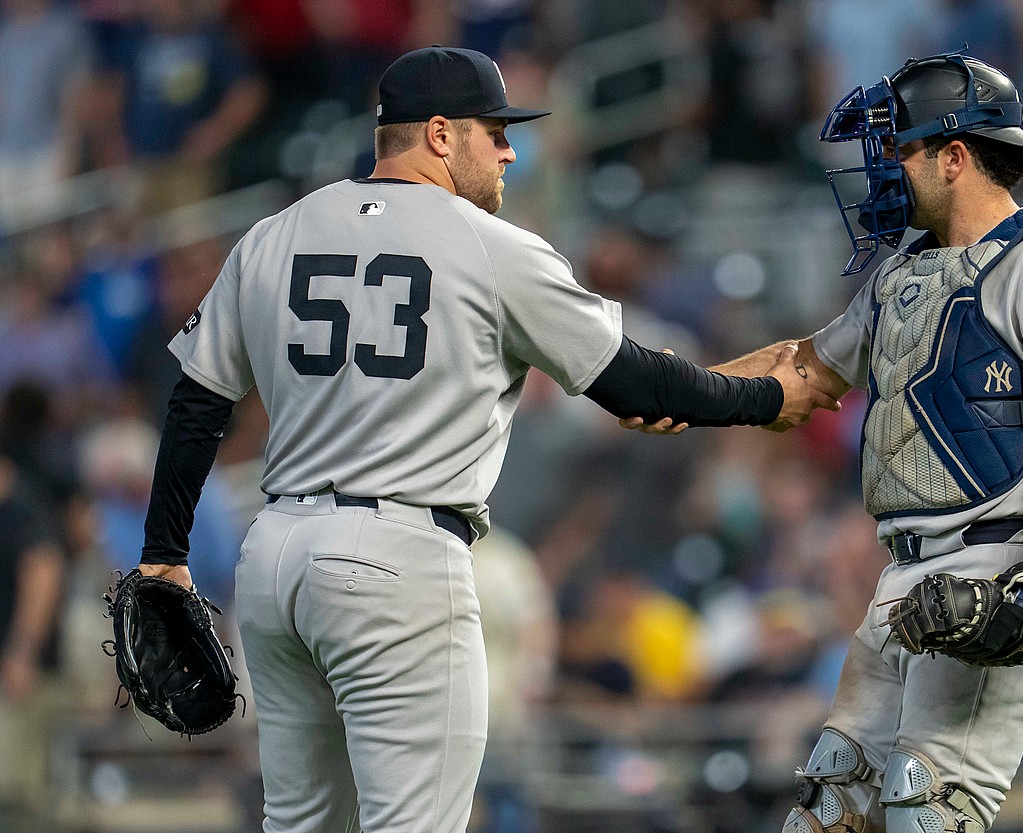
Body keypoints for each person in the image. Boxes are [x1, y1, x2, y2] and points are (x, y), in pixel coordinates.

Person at [131, 45, 831, 833]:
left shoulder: (276, 232)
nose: (509, 150)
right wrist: (765, 395)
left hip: (277, 557)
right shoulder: (489, 244)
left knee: (298, 824)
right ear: (438, 133)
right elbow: (635, 386)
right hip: (397, 558)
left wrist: (163, 551)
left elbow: (195, 403)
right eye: (494, 131)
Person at [624, 50, 1023, 832]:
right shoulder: (904, 275)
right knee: (830, 812)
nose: (883, 169)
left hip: (998, 568)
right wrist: (677, 388)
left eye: (899, 148)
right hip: (904, 584)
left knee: (923, 810)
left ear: (956, 156)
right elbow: (801, 378)